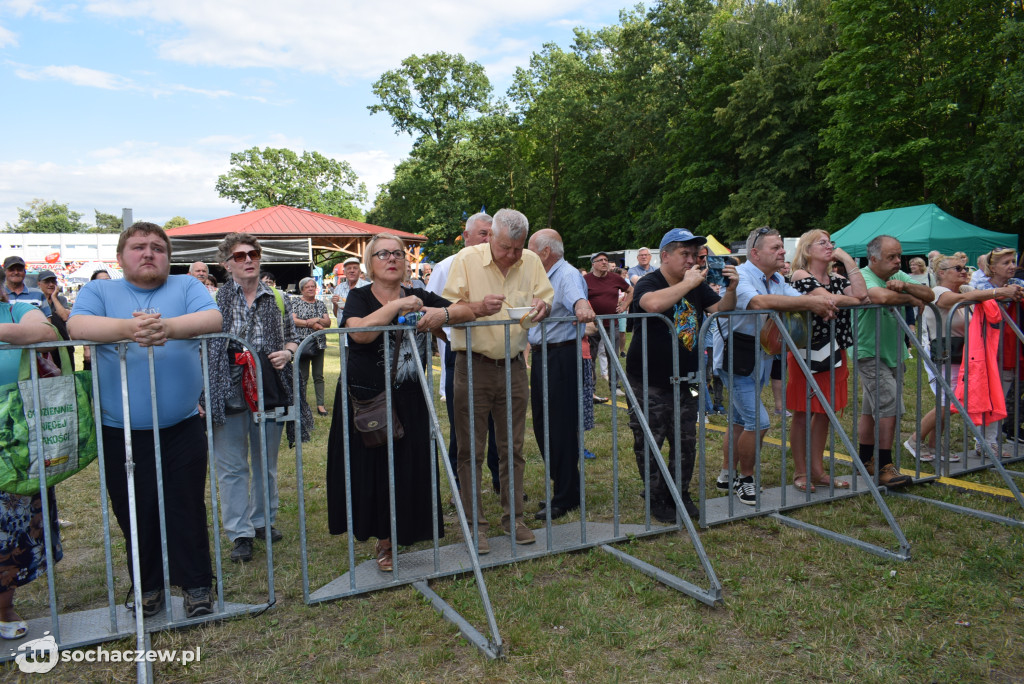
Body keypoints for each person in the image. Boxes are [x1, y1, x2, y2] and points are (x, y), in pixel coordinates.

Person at [68, 222, 222, 618]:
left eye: (158, 247)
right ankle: (147, 586)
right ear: (121, 257)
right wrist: (130, 329)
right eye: (139, 247)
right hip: (121, 430)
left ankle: (197, 585)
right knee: (134, 509)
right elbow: (77, 325)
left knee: (186, 504)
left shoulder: (186, 286)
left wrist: (165, 327)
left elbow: (211, 319)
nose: (149, 253)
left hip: (183, 424)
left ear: (169, 257)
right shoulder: (100, 290)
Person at [327, 234, 473, 571]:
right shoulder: (360, 297)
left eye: (397, 253)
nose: (392, 258)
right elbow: (360, 333)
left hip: (409, 395)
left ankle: (406, 531)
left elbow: (463, 309)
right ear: (370, 264)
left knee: (408, 467)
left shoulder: (419, 295)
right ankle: (384, 542)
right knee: (375, 471)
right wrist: (396, 307)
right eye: (383, 254)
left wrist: (441, 317)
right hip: (367, 399)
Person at [443, 208, 553, 553]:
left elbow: (545, 299)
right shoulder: (465, 260)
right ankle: (475, 526)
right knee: (470, 450)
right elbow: (448, 311)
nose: (513, 255)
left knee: (513, 448)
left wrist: (542, 307)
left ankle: (515, 518)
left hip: (514, 367)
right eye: (506, 248)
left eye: (518, 248)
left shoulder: (531, 261)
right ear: (490, 236)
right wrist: (476, 307)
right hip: (472, 365)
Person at [718, 227, 838, 505]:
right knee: (757, 421)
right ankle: (745, 480)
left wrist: (818, 301)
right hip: (736, 357)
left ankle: (726, 474)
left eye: (782, 247)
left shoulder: (776, 279)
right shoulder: (743, 274)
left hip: (759, 356)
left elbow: (794, 300)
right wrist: (813, 301)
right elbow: (758, 303)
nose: (783, 251)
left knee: (738, 420)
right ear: (755, 253)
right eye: (776, 248)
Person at [626, 228, 737, 521]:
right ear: (665, 256)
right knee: (649, 440)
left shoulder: (695, 283)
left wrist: (732, 288)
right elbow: (652, 304)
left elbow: (721, 309)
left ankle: (680, 492)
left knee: (686, 440)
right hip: (649, 379)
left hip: (686, 379)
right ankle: (655, 495)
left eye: (694, 255)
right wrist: (688, 284)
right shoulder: (650, 281)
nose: (691, 261)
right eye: (684, 254)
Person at [205, 233, 303, 564]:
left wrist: (287, 354)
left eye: (254, 253)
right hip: (226, 386)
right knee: (231, 465)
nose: (248, 259)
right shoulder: (212, 302)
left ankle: (262, 521)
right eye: (240, 255)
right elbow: (201, 348)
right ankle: (240, 533)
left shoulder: (278, 298)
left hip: (269, 386)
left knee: (266, 461)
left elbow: (293, 338)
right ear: (226, 264)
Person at [906, 253, 1021, 462]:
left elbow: (981, 295)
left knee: (950, 401)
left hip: (959, 356)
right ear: (942, 273)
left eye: (965, 268)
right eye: (958, 269)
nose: (964, 272)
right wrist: (999, 291)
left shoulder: (965, 289)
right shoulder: (938, 291)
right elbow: (956, 300)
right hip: (941, 355)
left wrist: (1008, 291)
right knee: (948, 401)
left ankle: (933, 445)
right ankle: (915, 439)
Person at [0, 286, 61, 640]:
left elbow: (46, 333)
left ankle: (4, 607)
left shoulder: (18, 309)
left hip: (15, 439)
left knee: (12, 528)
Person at [426, 213, 502, 495]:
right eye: (483, 233)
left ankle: (501, 482)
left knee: (498, 423)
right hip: (460, 354)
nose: (488, 239)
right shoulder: (447, 266)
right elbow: (431, 312)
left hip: (495, 353)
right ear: (466, 236)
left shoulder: (499, 266)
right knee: (462, 424)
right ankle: (462, 489)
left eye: (492, 234)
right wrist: (449, 340)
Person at [785, 230, 867, 491]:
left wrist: (849, 261)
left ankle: (817, 471)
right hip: (806, 351)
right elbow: (826, 298)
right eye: (822, 243)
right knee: (803, 410)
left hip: (836, 349)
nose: (829, 246)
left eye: (831, 242)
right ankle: (801, 472)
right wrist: (851, 300)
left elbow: (862, 295)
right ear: (807, 250)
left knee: (826, 413)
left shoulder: (837, 277)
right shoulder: (800, 275)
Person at [527, 229, 595, 520]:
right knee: (544, 424)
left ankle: (566, 496)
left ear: (545, 252)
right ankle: (563, 488)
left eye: (530, 249)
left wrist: (582, 306)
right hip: (546, 354)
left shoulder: (566, 274)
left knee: (560, 427)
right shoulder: (544, 275)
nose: (526, 255)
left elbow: (578, 299)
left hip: (562, 355)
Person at [855, 235, 934, 488]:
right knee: (889, 406)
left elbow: (929, 294)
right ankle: (884, 466)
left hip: (893, 352)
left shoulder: (900, 277)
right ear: (874, 258)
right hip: (869, 351)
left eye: (899, 256)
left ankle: (865, 460)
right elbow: (881, 298)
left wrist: (908, 288)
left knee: (870, 408)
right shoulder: (863, 275)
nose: (898, 261)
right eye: (891, 257)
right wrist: (911, 299)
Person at [960, 247, 1024, 459]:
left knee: (1001, 396)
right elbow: (967, 292)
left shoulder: (1018, 284)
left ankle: (990, 440)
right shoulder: (980, 284)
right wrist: (999, 294)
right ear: (992, 267)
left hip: (1009, 348)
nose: (1012, 266)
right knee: (987, 396)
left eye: (1013, 261)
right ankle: (985, 442)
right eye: (1006, 263)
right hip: (986, 348)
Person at [585, 252, 632, 382]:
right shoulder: (585, 279)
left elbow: (631, 290)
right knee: (590, 357)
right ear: (593, 264)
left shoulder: (615, 278)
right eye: (600, 260)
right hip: (592, 324)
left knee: (613, 357)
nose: (604, 262)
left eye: (606, 259)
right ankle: (591, 388)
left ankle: (614, 387)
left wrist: (623, 306)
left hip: (612, 324)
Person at [293, 276, 331, 417]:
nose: (310, 289)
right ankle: (301, 405)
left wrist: (318, 320)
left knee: (318, 375)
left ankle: (320, 405)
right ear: (302, 289)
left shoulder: (320, 304)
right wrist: (312, 323)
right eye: (307, 287)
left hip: (319, 344)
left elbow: (328, 323)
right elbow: (293, 320)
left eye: (312, 286)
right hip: (302, 343)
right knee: (302, 376)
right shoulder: (296, 302)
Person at [36, 269, 74, 371]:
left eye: (53, 281)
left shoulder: (61, 299)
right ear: (39, 283)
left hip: (63, 343)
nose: (51, 284)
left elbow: (65, 317)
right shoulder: (37, 300)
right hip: (44, 345)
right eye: (47, 282)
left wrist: (54, 298)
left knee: (68, 375)